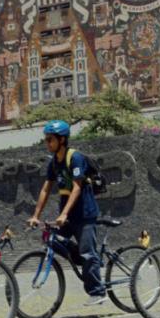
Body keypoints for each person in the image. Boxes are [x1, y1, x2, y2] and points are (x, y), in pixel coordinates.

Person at [28, 120, 107, 306]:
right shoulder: (54, 163)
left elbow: (77, 187)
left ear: (62, 140)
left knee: (88, 253)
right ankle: (88, 262)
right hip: (69, 211)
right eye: (46, 140)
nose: (47, 143)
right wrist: (35, 215)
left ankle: (98, 290)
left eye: (50, 140)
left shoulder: (75, 157)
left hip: (84, 211)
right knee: (52, 239)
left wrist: (63, 214)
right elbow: (45, 189)